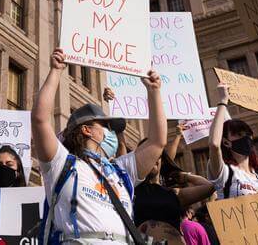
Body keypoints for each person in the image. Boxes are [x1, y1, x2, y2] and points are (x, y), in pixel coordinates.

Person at [33, 48, 168, 244]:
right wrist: (55, 71)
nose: (111, 133)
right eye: (106, 126)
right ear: (87, 130)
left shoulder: (121, 171)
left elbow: (157, 142)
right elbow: (40, 120)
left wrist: (154, 91)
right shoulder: (62, 164)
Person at [207, 84, 258, 199]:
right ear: (226, 142)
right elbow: (214, 144)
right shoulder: (225, 173)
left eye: (248, 135)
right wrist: (223, 101)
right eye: (239, 134)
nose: (246, 138)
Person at [132, 151, 214, 240]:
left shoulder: (174, 193)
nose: (151, 158)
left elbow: (209, 187)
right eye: (145, 156)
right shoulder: (131, 189)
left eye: (155, 155)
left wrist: (184, 176)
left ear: (162, 161)